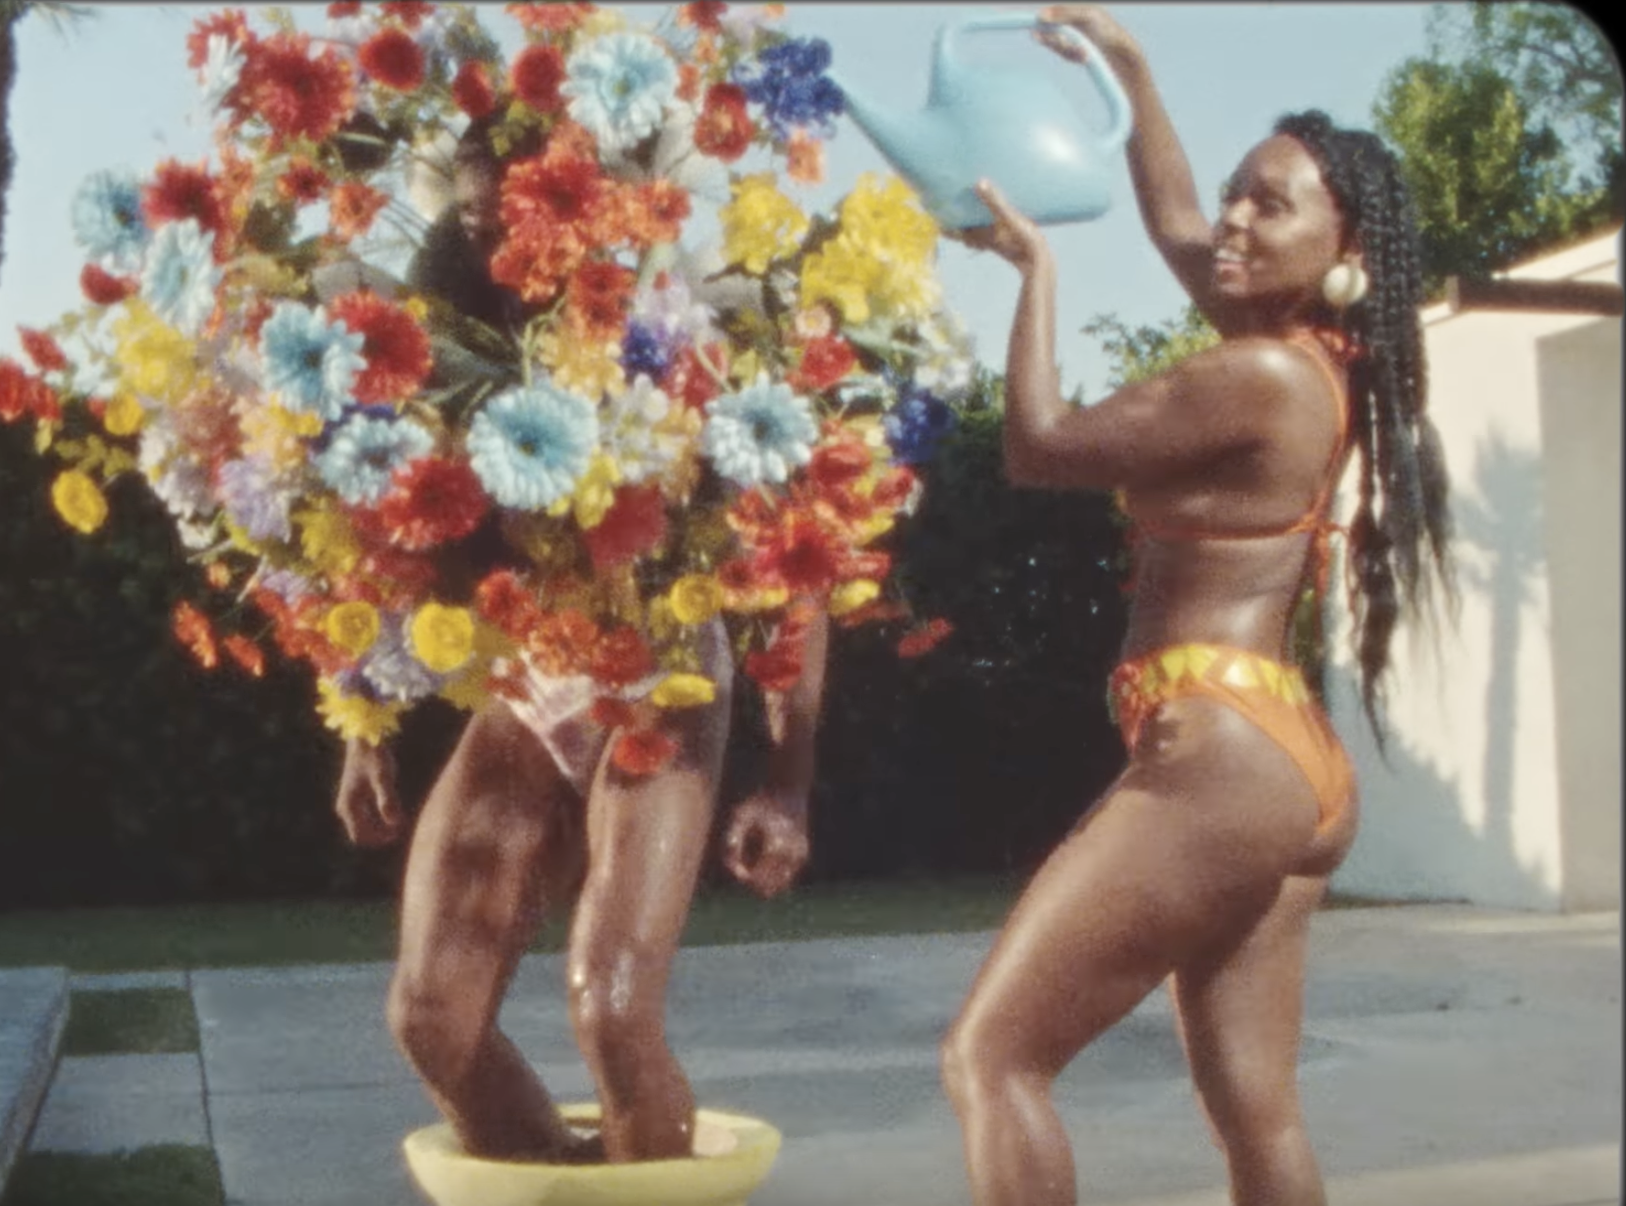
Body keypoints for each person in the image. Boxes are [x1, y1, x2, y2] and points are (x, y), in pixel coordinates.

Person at [941, 6, 1451, 1204]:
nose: (1231, 218)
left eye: (1269, 204)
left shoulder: (1256, 375)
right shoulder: (1316, 359)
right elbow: (1176, 224)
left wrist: (1036, 274)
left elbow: (1041, 443)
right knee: (1257, 1115)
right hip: (1287, 765)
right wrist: (1131, 73)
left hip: (1221, 758)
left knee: (995, 1056)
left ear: (1344, 239)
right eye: (1236, 191)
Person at [330, 125, 830, 1165]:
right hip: (529, 690)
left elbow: (796, 570)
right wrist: (360, 723)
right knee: (432, 1019)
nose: (491, 238)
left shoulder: (674, 342)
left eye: (512, 216)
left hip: (664, 683)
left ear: (574, 213)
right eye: (472, 219)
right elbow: (367, 547)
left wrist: (789, 779)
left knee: (610, 1012)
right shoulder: (435, 363)